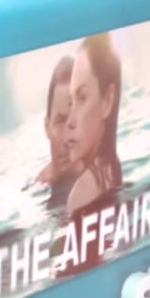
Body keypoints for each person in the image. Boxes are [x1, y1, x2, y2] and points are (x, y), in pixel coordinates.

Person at [61, 33, 124, 218]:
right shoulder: (112, 168)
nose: (70, 121)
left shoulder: (81, 195)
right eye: (72, 101)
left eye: (82, 97)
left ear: (107, 101)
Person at [36, 56, 77, 216]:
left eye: (74, 123)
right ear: (47, 127)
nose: (66, 138)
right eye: (60, 121)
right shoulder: (38, 190)